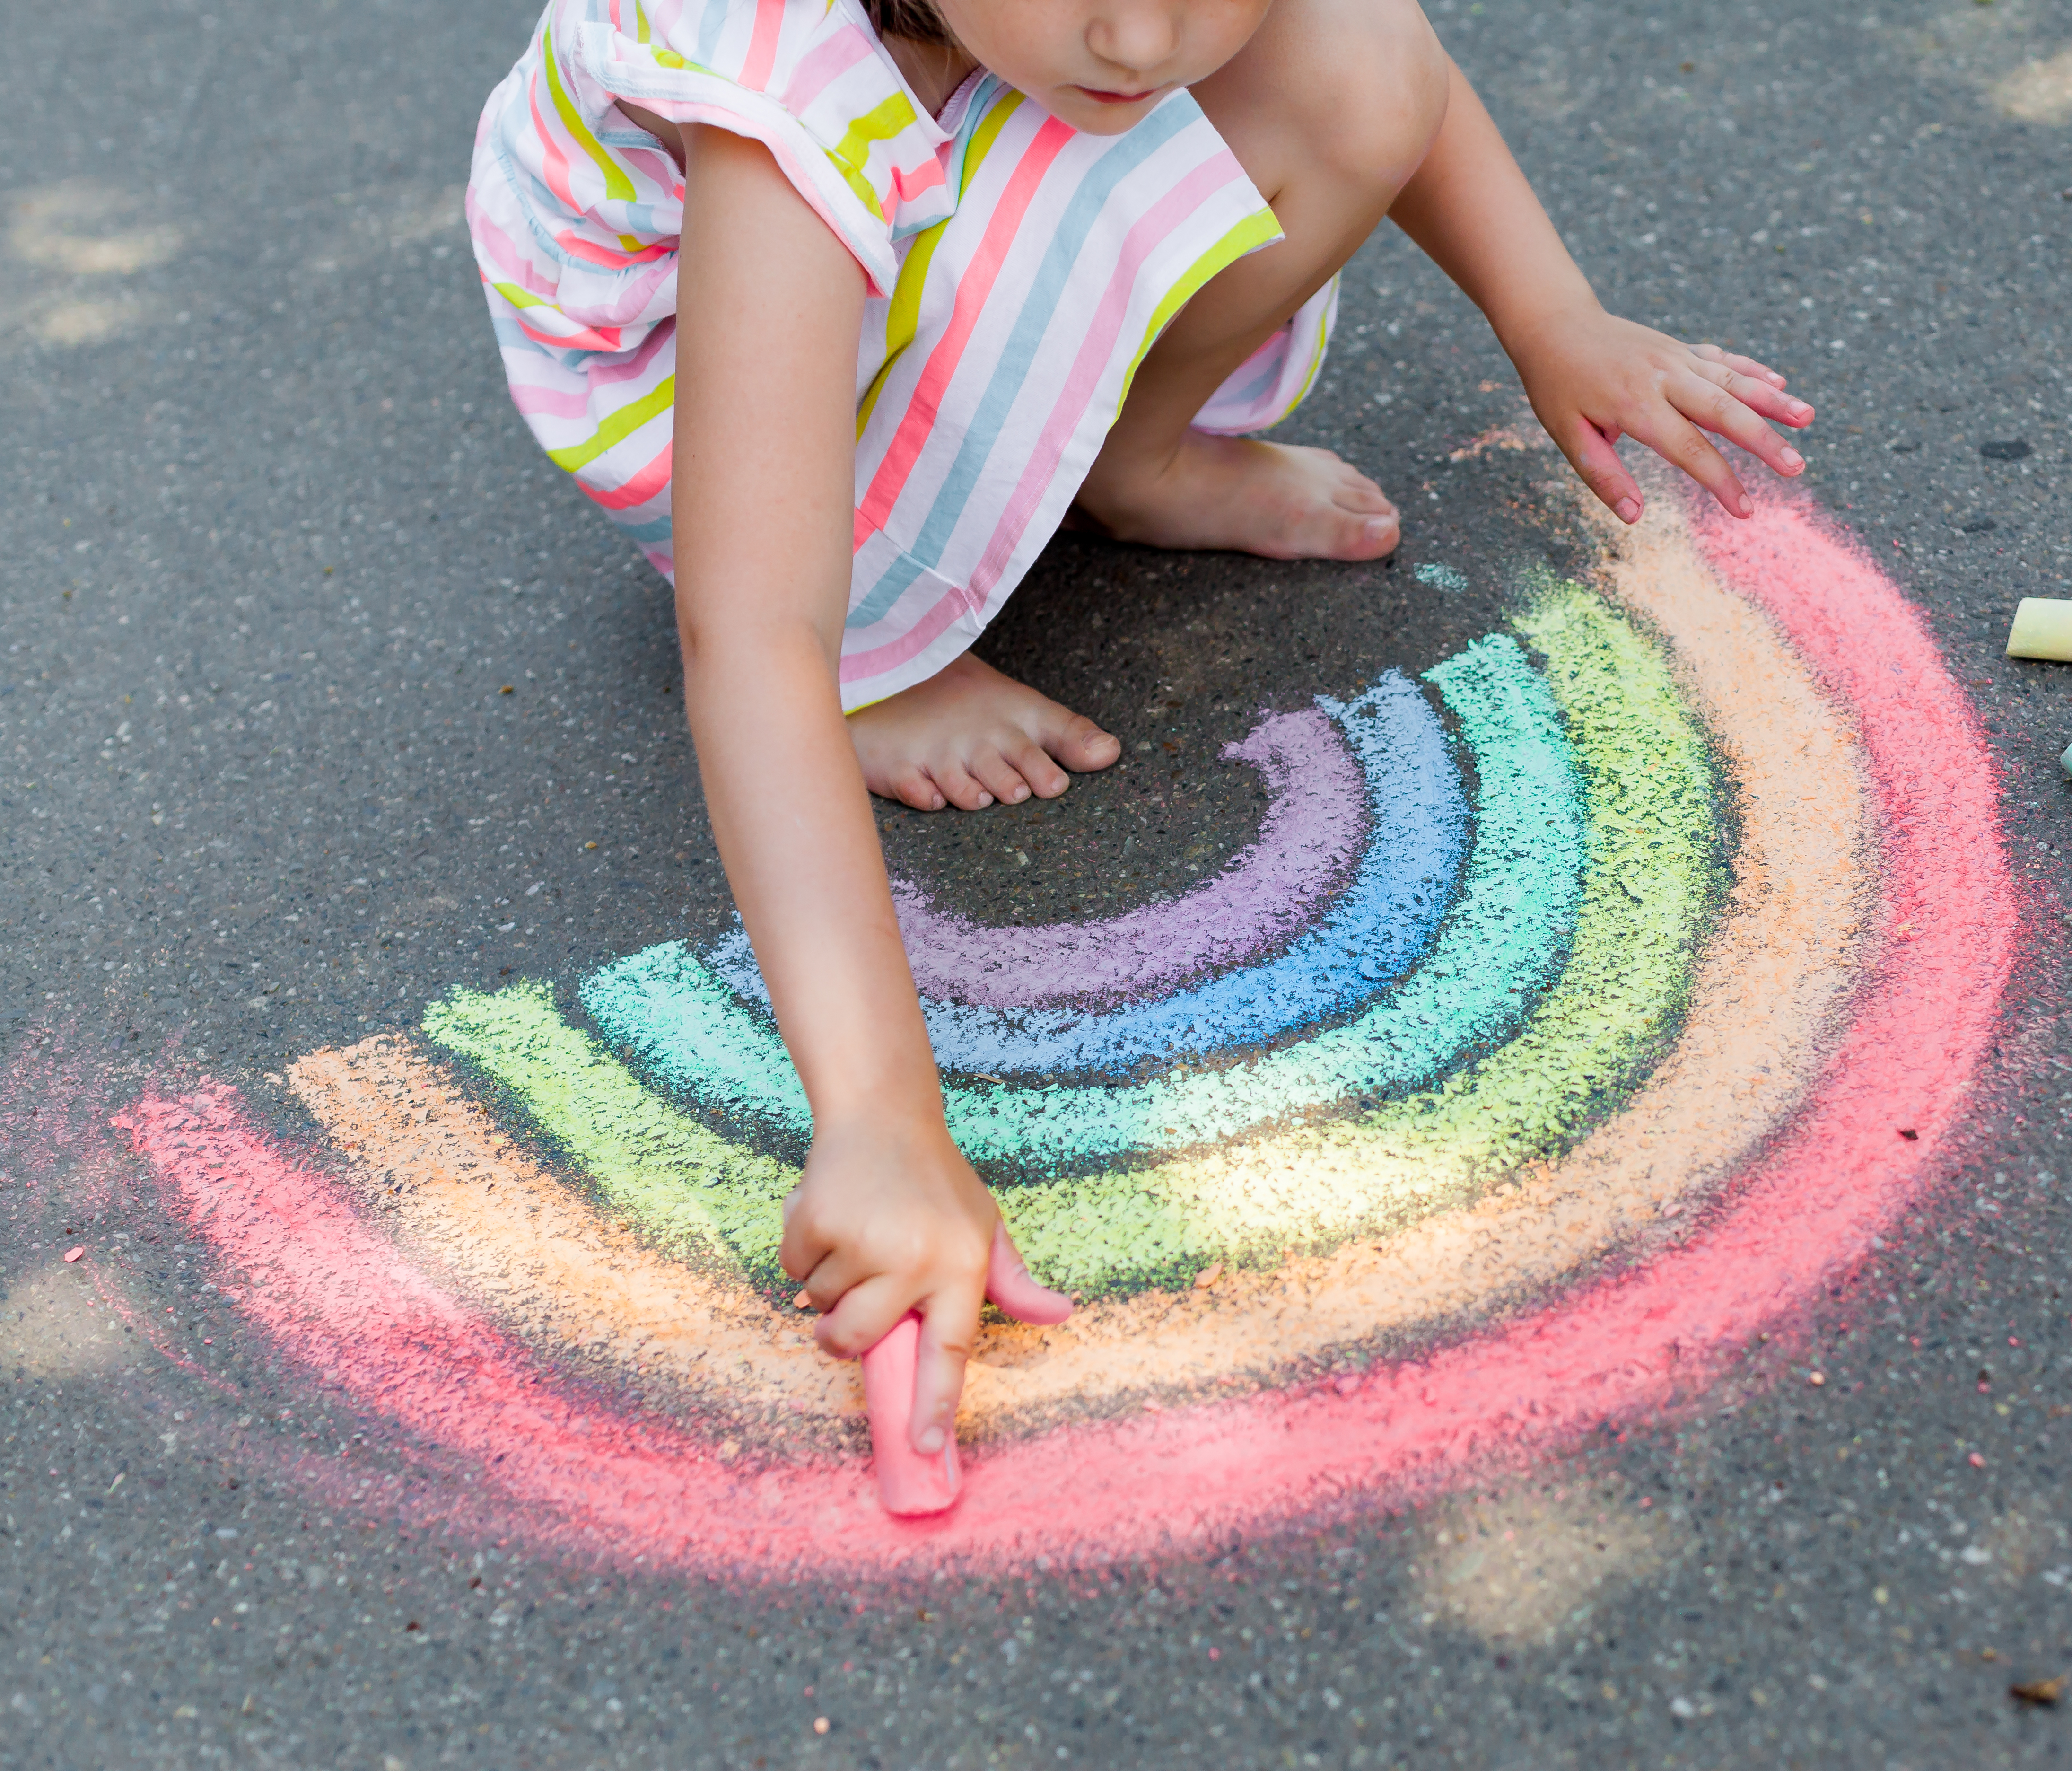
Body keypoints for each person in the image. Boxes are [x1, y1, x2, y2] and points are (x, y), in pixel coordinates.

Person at [468, 0, 1814, 1469]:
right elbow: (752, 636)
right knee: (803, 581)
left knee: (1350, 63)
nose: (1140, 34)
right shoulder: (783, 115)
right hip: (711, 390)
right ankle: (893, 641)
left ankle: (1132, 456)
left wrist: (1550, 312)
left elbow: (1375, 61)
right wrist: (881, 1123)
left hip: (920, 172)